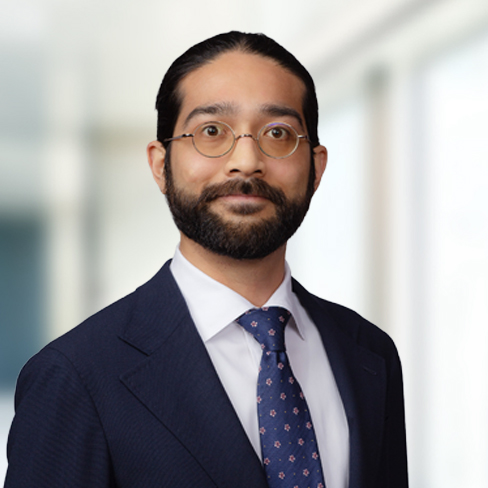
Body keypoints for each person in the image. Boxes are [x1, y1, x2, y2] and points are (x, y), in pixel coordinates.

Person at [4, 32, 408, 488]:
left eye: (277, 133)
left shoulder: (370, 354)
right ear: (161, 164)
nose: (246, 161)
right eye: (211, 132)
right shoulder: (76, 376)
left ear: (316, 168)